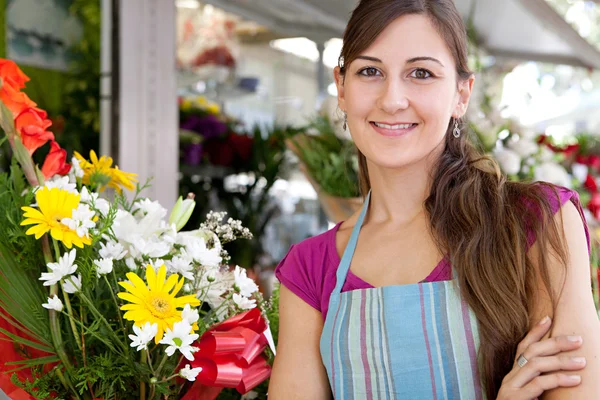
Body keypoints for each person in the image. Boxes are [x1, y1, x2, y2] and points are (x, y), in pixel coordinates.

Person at [268, 0, 600, 399]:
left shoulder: (535, 223)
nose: (392, 100)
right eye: (370, 71)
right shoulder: (309, 269)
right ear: (341, 87)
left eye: (421, 73)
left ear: (462, 93)